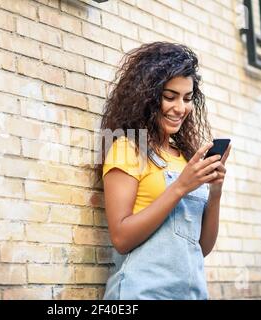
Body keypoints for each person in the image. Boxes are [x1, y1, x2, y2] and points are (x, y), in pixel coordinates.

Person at [93, 42, 232, 300]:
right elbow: (121, 238)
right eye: (170, 97)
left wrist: (215, 193)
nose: (180, 108)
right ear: (146, 96)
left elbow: (201, 247)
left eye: (188, 98)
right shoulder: (128, 149)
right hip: (141, 293)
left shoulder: (185, 158)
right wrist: (180, 187)